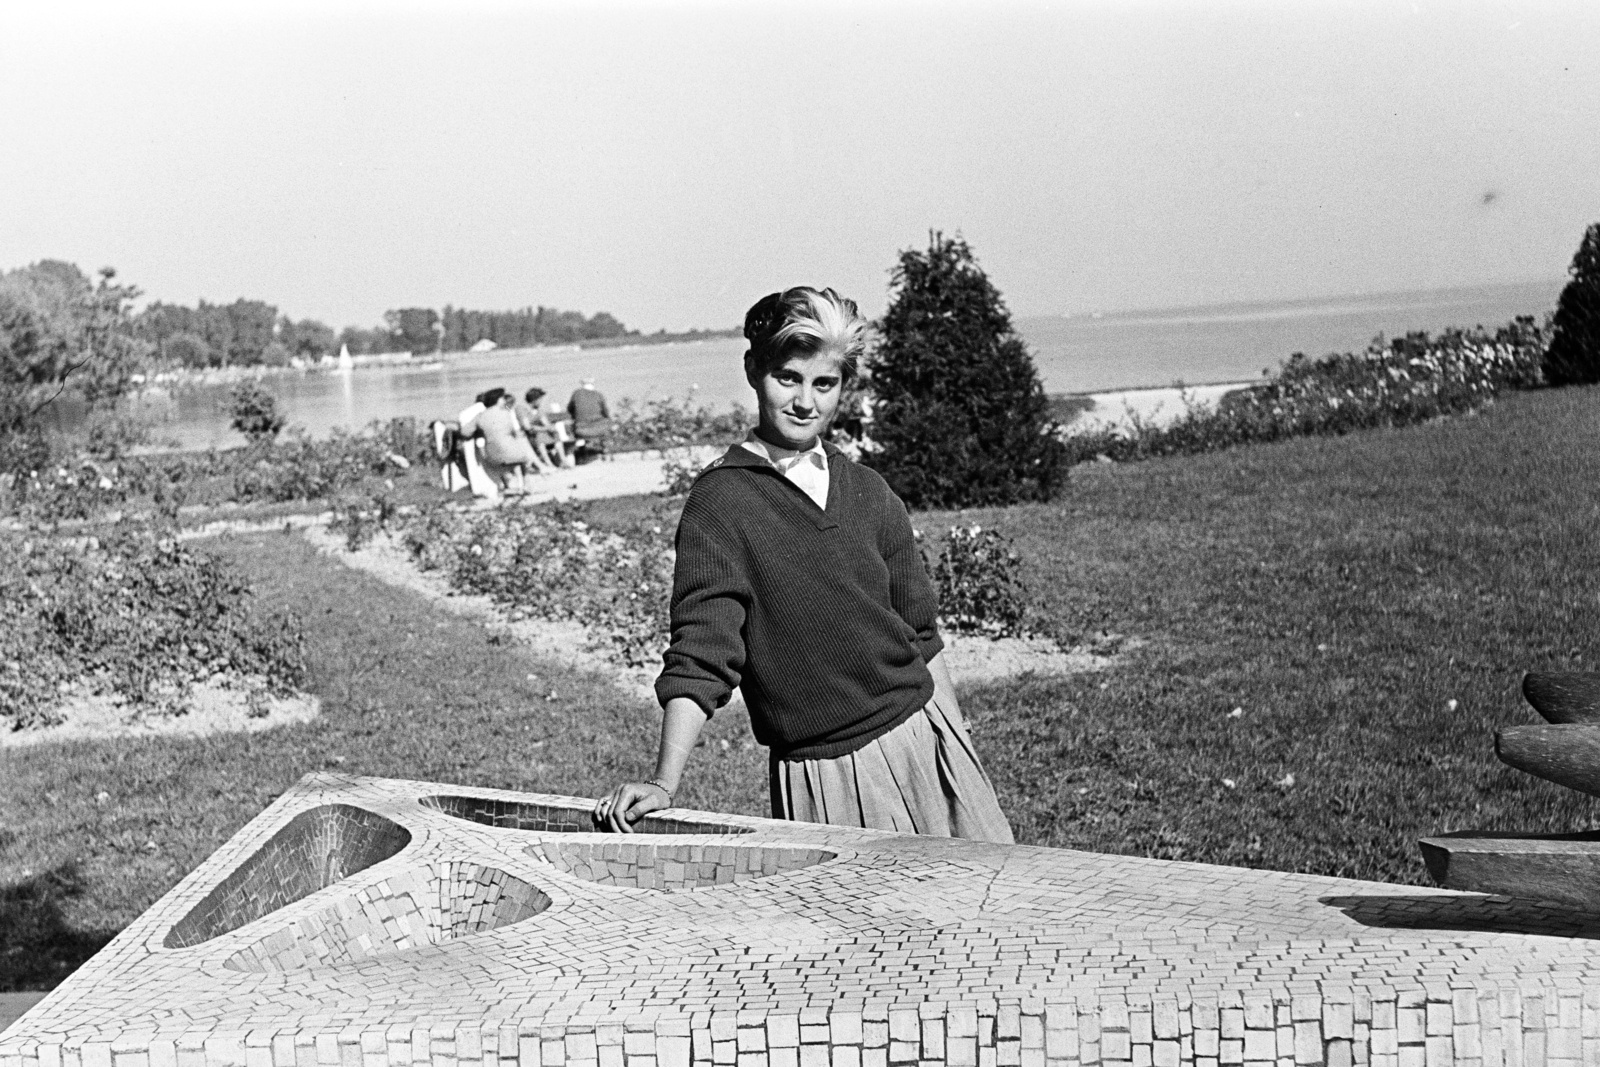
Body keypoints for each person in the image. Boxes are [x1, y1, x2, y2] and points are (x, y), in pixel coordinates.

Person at [595, 286, 1013, 843]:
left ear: (844, 386)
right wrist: (664, 783)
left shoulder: (869, 490)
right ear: (753, 370)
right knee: (863, 929)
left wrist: (955, 740)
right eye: (787, 378)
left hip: (925, 740)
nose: (804, 402)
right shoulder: (721, 503)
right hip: (827, 774)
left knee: (986, 913)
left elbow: (922, 635)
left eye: (824, 383)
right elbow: (702, 651)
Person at [473, 387, 540, 496]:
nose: (504, 401)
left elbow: (465, 432)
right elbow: (514, 431)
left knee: (509, 451)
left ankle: (506, 484)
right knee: (520, 451)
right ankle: (525, 485)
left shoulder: (480, 416)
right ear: (498, 400)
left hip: (492, 455)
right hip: (512, 455)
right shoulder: (506, 413)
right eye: (503, 399)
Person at [515, 387, 567, 470]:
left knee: (555, 433)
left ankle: (563, 460)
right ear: (535, 400)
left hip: (539, 432)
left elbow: (545, 422)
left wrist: (550, 428)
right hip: (528, 435)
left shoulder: (538, 410)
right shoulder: (522, 409)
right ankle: (549, 464)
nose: (542, 402)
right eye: (540, 400)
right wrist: (544, 428)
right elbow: (527, 427)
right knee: (540, 436)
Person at [567, 377, 612, 459]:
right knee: (606, 424)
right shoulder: (598, 395)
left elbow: (570, 409)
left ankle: (582, 451)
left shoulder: (576, 394)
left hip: (581, 429)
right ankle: (605, 450)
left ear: (582, 384)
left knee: (575, 426)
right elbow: (606, 412)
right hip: (599, 429)